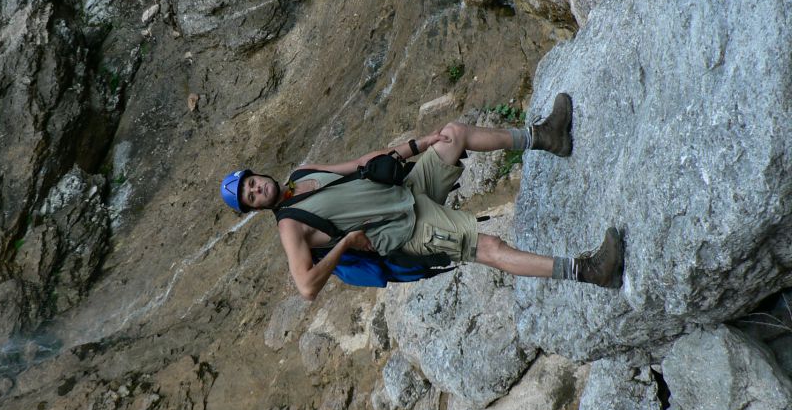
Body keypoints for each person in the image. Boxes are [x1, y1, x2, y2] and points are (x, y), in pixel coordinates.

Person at [220, 94, 623, 300]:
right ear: (255, 208)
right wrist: (343, 244)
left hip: (407, 189)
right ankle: (588, 271)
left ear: (257, 175)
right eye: (251, 197)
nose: (257, 190)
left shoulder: (299, 175)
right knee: (490, 247)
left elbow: (361, 163)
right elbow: (307, 287)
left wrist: (419, 144)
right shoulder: (290, 228)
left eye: (251, 183)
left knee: (454, 133)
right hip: (408, 229)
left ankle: (545, 137)